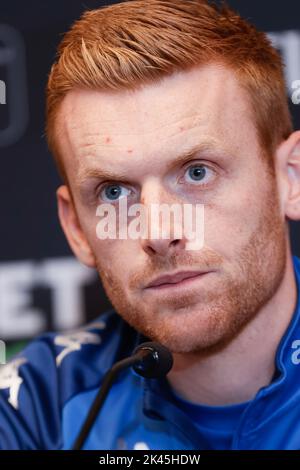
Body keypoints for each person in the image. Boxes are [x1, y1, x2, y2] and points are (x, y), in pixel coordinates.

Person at [1, 0, 300, 450]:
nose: (158, 232)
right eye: (114, 193)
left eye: (198, 172)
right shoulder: (38, 404)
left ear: (289, 178)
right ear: (77, 228)